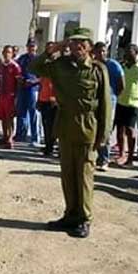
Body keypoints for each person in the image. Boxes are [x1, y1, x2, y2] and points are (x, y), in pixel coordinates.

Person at [30, 33, 112, 239]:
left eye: (82, 43)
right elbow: (34, 68)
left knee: (84, 176)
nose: (77, 46)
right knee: (67, 175)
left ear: (90, 47)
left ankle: (84, 218)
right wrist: (52, 49)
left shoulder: (97, 70)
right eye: (73, 42)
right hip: (65, 126)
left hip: (88, 127)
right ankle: (70, 214)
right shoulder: (60, 65)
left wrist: (104, 134)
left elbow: (105, 105)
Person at [115, 44, 138, 167]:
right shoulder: (122, 66)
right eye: (125, 51)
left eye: (129, 52)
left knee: (130, 130)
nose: (126, 54)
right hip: (121, 101)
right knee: (119, 130)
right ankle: (121, 154)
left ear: (136, 53)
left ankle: (130, 157)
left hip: (134, 103)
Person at [93, 42, 124, 171]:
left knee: (106, 130)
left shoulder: (113, 65)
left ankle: (104, 159)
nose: (101, 53)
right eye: (99, 51)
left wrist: (113, 96)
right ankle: (95, 157)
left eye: (104, 51)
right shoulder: (93, 65)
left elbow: (122, 85)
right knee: (94, 128)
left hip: (110, 101)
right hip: (95, 101)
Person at [15, 38, 42, 147]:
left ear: (36, 47)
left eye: (33, 46)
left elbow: (43, 76)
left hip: (33, 88)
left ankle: (35, 137)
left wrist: (34, 81)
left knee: (34, 113)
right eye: (30, 46)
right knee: (21, 112)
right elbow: (17, 71)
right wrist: (19, 78)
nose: (31, 48)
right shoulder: (22, 58)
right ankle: (20, 135)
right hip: (22, 88)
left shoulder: (39, 60)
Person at [0, 46, 21, 149]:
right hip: (2, 94)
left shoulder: (15, 66)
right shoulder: (1, 65)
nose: (7, 54)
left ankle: (10, 139)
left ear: (12, 54)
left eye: (9, 52)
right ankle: (5, 136)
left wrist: (16, 96)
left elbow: (18, 82)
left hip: (11, 95)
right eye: (5, 52)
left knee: (9, 117)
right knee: (2, 117)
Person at [37, 42, 58, 157]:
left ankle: (51, 147)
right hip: (44, 99)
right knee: (46, 124)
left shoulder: (59, 67)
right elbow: (41, 84)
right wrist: (39, 99)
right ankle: (48, 146)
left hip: (53, 101)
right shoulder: (45, 67)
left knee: (52, 125)